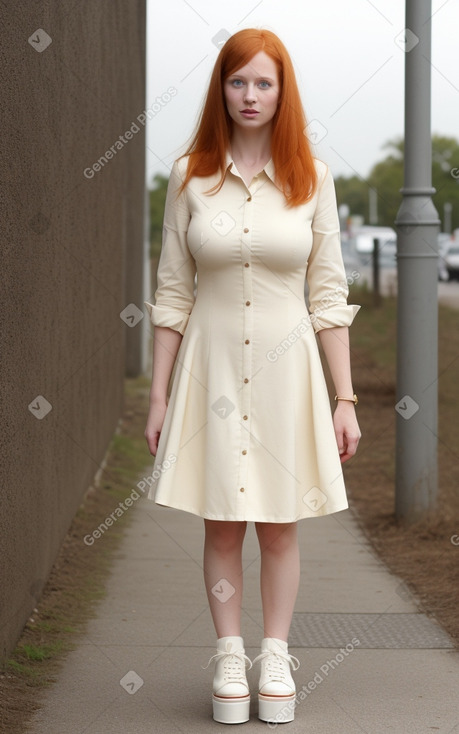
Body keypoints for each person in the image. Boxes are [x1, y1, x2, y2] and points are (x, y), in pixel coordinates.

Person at [144, 28, 361, 726]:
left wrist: (345, 398)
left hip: (286, 372)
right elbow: (172, 292)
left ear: (281, 91)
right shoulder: (188, 176)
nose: (249, 95)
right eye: (238, 81)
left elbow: (328, 296)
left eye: (263, 82)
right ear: (222, 89)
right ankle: (229, 656)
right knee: (220, 521)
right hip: (209, 371)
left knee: (277, 525)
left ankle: (275, 653)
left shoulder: (313, 180)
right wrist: (157, 392)